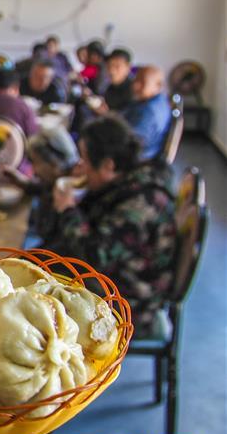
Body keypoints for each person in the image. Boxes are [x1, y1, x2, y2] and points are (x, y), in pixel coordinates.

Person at [44, 116, 175, 334]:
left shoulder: (143, 202)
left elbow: (93, 254)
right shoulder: (127, 181)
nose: (80, 167)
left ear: (108, 165)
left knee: (37, 284)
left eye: (85, 160)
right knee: (38, 260)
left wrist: (68, 210)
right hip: (112, 275)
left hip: (129, 300)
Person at [122, 65, 171, 161]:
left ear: (158, 86)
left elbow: (132, 141)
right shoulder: (159, 99)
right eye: (135, 80)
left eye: (142, 82)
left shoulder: (149, 111)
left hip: (141, 155)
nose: (135, 85)